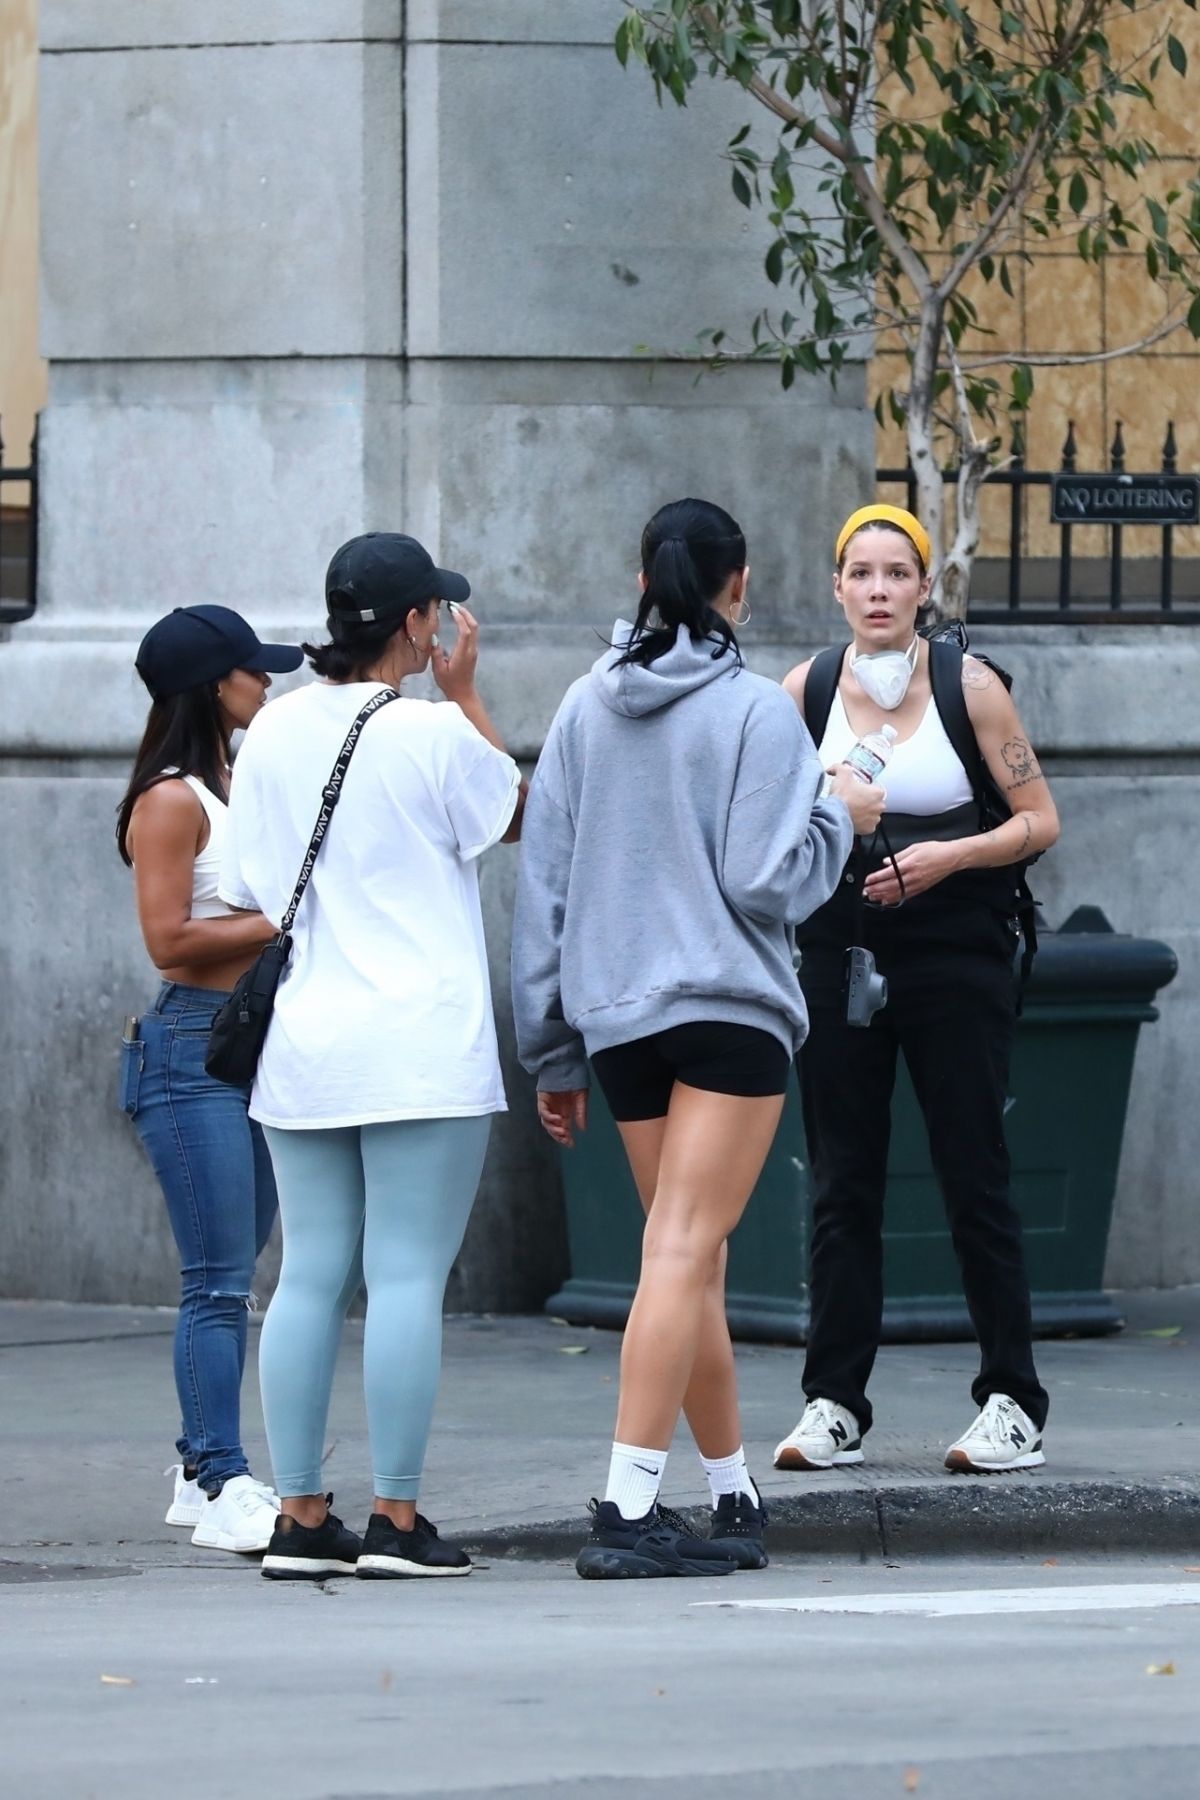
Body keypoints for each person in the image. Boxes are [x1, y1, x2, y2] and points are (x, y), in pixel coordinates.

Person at [512, 497, 883, 1580]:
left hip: (619, 1019)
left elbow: (546, 888)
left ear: (644, 580)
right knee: (681, 1252)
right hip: (725, 1010)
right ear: (740, 585)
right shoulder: (758, 715)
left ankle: (730, 1496)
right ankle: (629, 1506)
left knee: (693, 1259)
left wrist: (550, 1046)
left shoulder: (586, 705)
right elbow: (768, 880)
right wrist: (839, 817)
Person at [219, 532, 523, 1582]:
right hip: (419, 1043)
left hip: (307, 1039)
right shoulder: (434, 735)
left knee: (306, 1275)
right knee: (403, 1278)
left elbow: (255, 880)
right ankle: (396, 1518)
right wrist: (469, 693)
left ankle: (301, 1515)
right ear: (414, 624)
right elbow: (510, 812)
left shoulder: (271, 729)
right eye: (435, 611)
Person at [773, 503, 1061, 1478]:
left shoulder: (967, 685)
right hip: (838, 944)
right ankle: (835, 1399)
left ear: (925, 588)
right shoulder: (803, 691)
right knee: (842, 1176)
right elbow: (766, 827)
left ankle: (1012, 1400)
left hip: (955, 946)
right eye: (863, 573)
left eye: (899, 573)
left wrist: (952, 857)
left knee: (971, 1168)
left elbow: (1039, 819)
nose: (881, 590)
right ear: (838, 586)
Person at [117, 604, 304, 1552]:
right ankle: (221, 1481)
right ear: (210, 685)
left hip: (242, 1048)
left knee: (239, 1275)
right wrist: (283, 917)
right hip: (190, 1054)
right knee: (218, 1283)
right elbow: (169, 941)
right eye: (250, 671)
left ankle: (200, 1469)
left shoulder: (231, 779)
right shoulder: (172, 797)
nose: (265, 683)